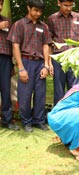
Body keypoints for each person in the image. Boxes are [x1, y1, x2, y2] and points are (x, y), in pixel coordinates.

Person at [7, 0, 52, 132]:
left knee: (40, 94)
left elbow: (46, 46)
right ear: (29, 8)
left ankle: (39, 120)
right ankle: (26, 121)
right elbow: (15, 46)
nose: (38, 13)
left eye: (40, 11)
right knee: (24, 94)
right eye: (35, 10)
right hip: (25, 61)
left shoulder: (44, 26)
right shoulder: (19, 25)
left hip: (40, 63)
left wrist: (46, 66)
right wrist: (20, 68)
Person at [47, 0, 79, 106]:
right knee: (59, 90)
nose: (68, 8)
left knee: (75, 89)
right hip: (58, 58)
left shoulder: (78, 17)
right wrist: (49, 62)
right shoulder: (52, 18)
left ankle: (73, 115)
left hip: (75, 58)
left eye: (71, 5)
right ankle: (59, 116)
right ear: (58, 3)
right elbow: (48, 41)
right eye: (65, 5)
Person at [0, 0, 19, 131]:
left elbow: (11, 43)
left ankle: (7, 120)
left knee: (6, 90)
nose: (0, 7)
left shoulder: (7, 21)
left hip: (5, 59)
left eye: (1, 4)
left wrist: (12, 64)